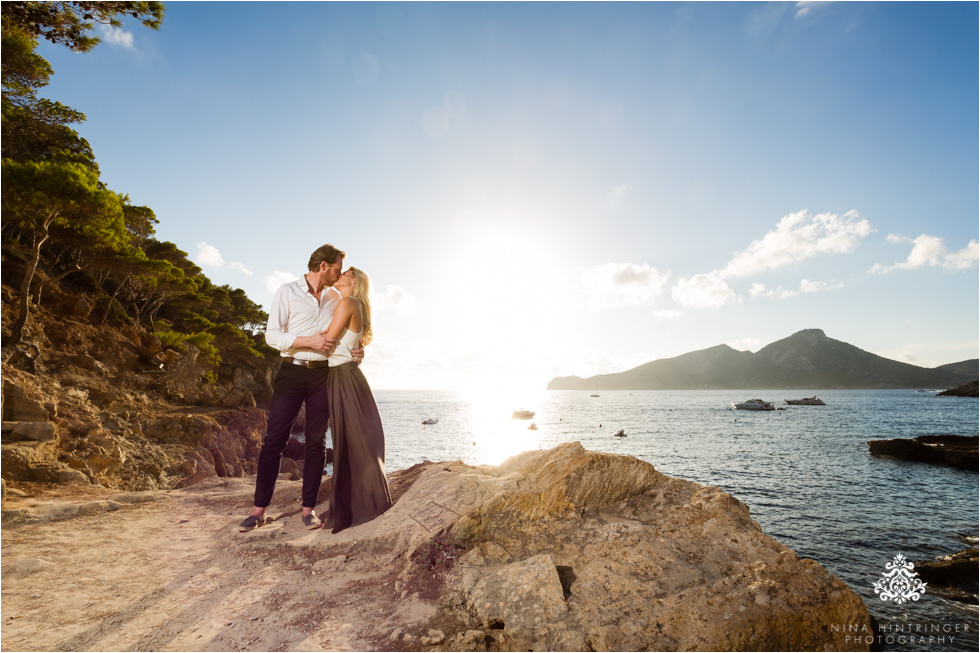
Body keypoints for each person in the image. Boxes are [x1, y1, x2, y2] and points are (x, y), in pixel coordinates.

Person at [238, 244, 361, 532]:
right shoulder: (287, 291)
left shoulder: (336, 297)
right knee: (274, 442)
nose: (340, 273)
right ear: (323, 266)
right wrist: (307, 341)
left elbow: (348, 334)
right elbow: (272, 335)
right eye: (337, 268)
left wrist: (358, 351)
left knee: (316, 444)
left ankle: (308, 511)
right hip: (291, 372)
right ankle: (258, 511)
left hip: (324, 376)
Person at [321, 267, 392, 532]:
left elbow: (327, 341)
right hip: (346, 375)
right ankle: (359, 506)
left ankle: (357, 509)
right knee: (354, 443)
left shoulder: (348, 303)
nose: (339, 273)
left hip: (343, 376)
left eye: (346, 271)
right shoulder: (350, 303)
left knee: (352, 443)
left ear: (354, 281)